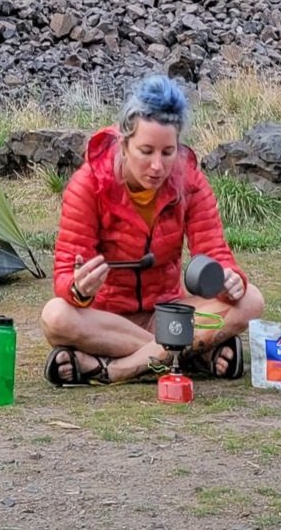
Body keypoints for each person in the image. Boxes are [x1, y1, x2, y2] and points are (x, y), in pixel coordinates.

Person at [40, 74, 263, 385]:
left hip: (169, 312)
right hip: (107, 318)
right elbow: (65, 275)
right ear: (124, 143)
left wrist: (230, 280)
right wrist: (78, 289)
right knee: (56, 316)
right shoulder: (88, 184)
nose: (157, 166)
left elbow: (214, 254)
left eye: (167, 152)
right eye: (146, 151)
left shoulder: (190, 182)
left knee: (251, 300)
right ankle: (193, 355)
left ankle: (115, 368)